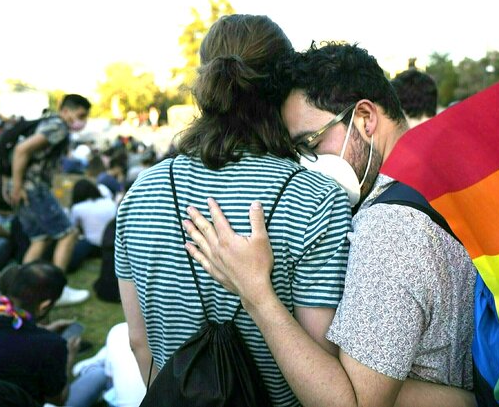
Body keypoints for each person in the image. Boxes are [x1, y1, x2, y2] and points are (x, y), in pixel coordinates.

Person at [184, 43, 476, 406]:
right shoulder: (448, 178)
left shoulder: (389, 228)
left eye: (312, 143)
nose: (309, 164)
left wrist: (256, 294)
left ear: (366, 118)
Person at [115, 14, 352, 407]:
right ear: (285, 85)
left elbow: (140, 342)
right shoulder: (317, 200)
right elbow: (321, 368)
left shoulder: (142, 191)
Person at [0, 261, 80, 406]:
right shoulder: (51, 346)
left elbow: (3, 340)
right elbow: (57, 400)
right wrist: (69, 358)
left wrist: (42, 334)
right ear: (44, 306)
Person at [8, 93, 92, 305]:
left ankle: (19, 288)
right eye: (80, 115)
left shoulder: (49, 123)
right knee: (68, 234)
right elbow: (21, 150)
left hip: (26, 187)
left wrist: (13, 185)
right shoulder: (58, 126)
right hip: (33, 187)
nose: (82, 121)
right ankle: (57, 289)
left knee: (40, 239)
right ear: (65, 111)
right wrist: (17, 185)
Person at [67, 179, 116, 273]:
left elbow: (72, 227)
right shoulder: (110, 203)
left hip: (92, 245)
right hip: (111, 246)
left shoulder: (77, 208)